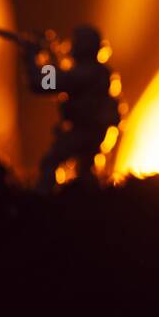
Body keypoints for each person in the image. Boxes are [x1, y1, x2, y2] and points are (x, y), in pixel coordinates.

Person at [24, 25, 120, 192]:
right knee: (86, 173)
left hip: (85, 131)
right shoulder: (98, 72)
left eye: (76, 42)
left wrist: (33, 56)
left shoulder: (85, 73)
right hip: (94, 131)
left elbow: (42, 83)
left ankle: (40, 203)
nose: (70, 46)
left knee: (50, 162)